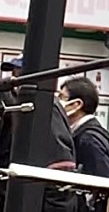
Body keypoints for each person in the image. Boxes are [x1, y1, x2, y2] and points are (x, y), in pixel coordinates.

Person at [0, 55, 78, 212]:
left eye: (20, 73)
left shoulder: (44, 108)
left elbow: (60, 173)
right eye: (14, 72)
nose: (15, 78)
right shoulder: (16, 105)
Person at [59, 76, 109, 179]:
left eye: (61, 97)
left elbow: (104, 180)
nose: (57, 103)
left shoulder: (89, 139)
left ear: (76, 105)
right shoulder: (89, 134)